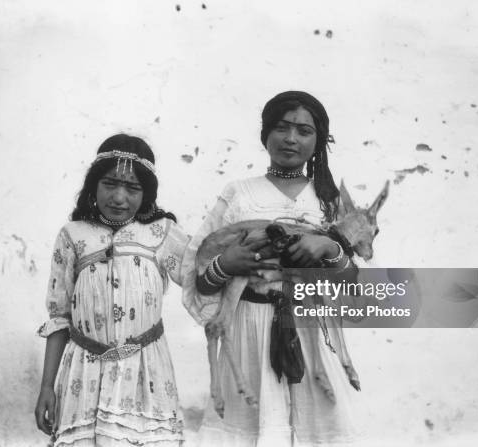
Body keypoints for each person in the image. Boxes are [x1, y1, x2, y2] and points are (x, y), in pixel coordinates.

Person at [182, 91, 359, 446]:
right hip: (249, 328)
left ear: (318, 141)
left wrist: (328, 246)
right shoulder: (238, 194)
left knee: (322, 430)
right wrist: (225, 264)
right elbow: (198, 276)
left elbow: (354, 282)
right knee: (251, 431)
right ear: (266, 133)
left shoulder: (330, 201)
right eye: (281, 127)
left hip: (311, 328)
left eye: (304, 131)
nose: (291, 138)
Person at [35, 134, 190, 446]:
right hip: (83, 374)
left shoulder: (162, 233)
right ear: (93, 185)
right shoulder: (73, 235)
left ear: (146, 194)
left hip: (145, 373)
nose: (119, 197)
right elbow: (59, 317)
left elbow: (201, 279)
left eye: (132, 188)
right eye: (110, 184)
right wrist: (46, 387)